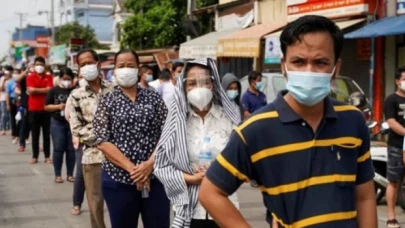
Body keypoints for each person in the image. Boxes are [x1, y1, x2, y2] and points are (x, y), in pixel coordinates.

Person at [199, 15, 377, 228]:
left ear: (336, 68)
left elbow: (365, 197)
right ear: (283, 65)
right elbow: (210, 193)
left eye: (321, 62)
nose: (309, 71)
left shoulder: (353, 120)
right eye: (298, 62)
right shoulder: (256, 129)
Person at [154, 58, 241, 228]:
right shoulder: (176, 122)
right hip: (191, 208)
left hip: (225, 203)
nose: (198, 88)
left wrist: (218, 172)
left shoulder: (229, 119)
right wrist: (191, 178)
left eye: (205, 82)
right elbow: (161, 166)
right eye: (192, 83)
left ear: (213, 85)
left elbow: (242, 160)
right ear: (184, 87)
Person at [94, 49, 169, 228]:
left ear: (138, 70)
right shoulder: (107, 100)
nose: (126, 69)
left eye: (130, 66)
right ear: (114, 70)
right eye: (121, 66)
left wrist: (149, 165)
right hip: (118, 180)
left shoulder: (153, 97)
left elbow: (168, 132)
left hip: (156, 178)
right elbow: (103, 140)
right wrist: (134, 171)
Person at [68, 49, 110, 228]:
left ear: (98, 64)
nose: (87, 67)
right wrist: (107, 135)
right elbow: (77, 129)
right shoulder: (75, 96)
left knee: (123, 203)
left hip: (122, 156)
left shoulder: (115, 89)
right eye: (82, 64)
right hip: (93, 156)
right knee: (95, 204)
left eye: (89, 62)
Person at [45, 67, 76, 184]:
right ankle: (57, 174)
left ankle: (70, 174)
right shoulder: (54, 91)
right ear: (60, 79)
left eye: (69, 79)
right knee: (58, 149)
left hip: (72, 123)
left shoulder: (75, 91)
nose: (66, 81)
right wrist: (58, 107)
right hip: (57, 122)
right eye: (64, 79)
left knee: (71, 150)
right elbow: (46, 106)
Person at [383, 66, 405, 228]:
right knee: (394, 181)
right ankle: (391, 217)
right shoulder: (391, 100)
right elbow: (391, 122)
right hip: (397, 147)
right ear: (398, 81)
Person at [27, 56, 53, 164]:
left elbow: (49, 90)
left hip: (46, 108)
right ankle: (35, 156)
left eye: (41, 65)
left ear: (44, 66)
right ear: (34, 65)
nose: (39, 67)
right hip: (33, 109)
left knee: (46, 135)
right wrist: (44, 90)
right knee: (35, 135)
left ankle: (47, 156)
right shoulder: (30, 77)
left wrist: (36, 90)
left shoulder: (49, 76)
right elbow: (31, 91)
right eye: (37, 65)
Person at [65, 80, 86, 216]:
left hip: (104, 141)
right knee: (81, 174)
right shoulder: (74, 95)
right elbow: (68, 116)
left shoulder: (105, 94)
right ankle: (77, 203)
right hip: (83, 140)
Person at [14, 64, 32, 152]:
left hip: (36, 105)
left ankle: (35, 145)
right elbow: (16, 80)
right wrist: (26, 71)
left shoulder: (37, 78)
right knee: (23, 125)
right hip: (25, 104)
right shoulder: (25, 79)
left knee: (34, 127)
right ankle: (22, 144)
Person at [5, 67, 20, 144]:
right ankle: (14, 134)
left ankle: (19, 134)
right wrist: (7, 104)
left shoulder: (21, 81)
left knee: (20, 119)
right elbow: (7, 94)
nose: (15, 74)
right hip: (12, 101)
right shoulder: (9, 83)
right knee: (13, 118)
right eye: (14, 73)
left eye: (17, 73)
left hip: (20, 101)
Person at [0, 66, 11, 135]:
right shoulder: (2, 78)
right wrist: (4, 80)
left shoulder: (12, 79)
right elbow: (1, 89)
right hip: (3, 98)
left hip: (11, 98)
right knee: (4, 114)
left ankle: (10, 128)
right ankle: (3, 128)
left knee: (10, 114)